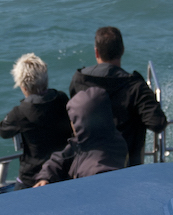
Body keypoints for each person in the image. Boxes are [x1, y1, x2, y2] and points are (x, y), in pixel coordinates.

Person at [69, 26, 167, 166]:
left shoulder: (79, 81)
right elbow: (157, 123)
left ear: (96, 52)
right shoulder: (135, 86)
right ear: (122, 51)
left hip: (87, 167)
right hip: (126, 168)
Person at [0, 53, 73, 189]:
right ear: (46, 80)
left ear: (22, 86)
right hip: (63, 170)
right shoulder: (61, 98)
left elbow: (3, 132)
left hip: (33, 177)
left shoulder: (19, 113)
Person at [33, 88, 128, 185]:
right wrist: (46, 177)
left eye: (74, 120)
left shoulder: (98, 170)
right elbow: (62, 157)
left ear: (83, 123)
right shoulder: (100, 137)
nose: (71, 124)